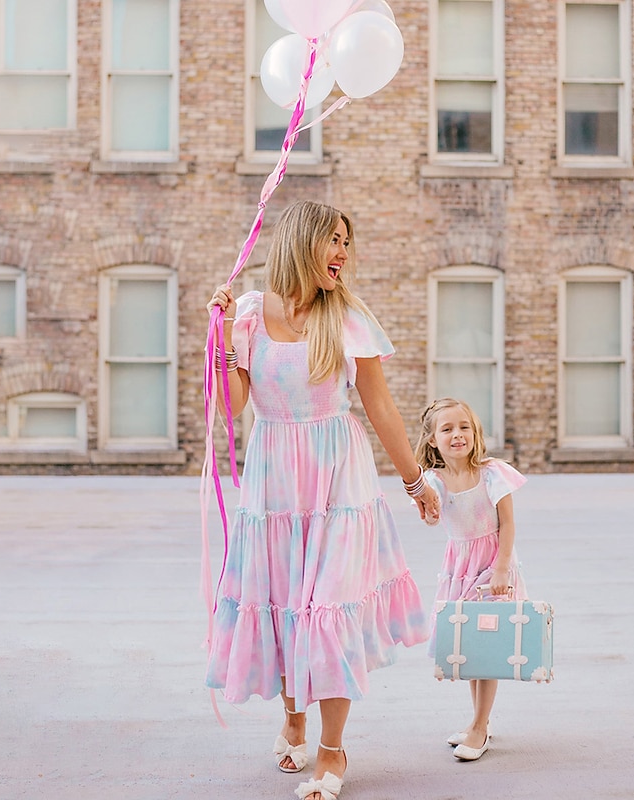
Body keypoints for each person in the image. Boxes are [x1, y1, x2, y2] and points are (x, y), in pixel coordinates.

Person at [204, 200, 440, 800]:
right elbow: (230, 409)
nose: (342, 252)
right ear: (301, 242)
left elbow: (380, 407)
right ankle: (293, 716)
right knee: (285, 604)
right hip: (274, 481)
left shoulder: (348, 318)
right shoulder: (251, 315)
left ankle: (332, 752)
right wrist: (221, 337)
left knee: (327, 605)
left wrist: (415, 483)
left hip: (339, 480)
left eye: (345, 242)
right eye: (332, 240)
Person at [414, 397, 527, 763]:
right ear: (433, 440)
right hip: (459, 567)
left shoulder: (492, 473)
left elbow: (507, 524)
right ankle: (478, 721)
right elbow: (432, 517)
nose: (457, 434)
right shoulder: (433, 480)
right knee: (471, 649)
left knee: (487, 648)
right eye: (446, 429)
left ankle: (480, 726)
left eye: (463, 427)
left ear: (474, 432)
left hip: (493, 565)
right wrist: (428, 508)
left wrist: (501, 569)